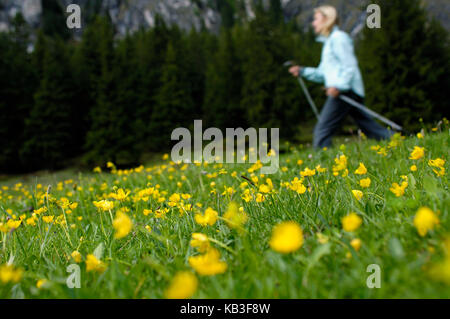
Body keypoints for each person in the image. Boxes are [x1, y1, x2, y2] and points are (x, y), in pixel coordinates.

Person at [289, 5, 393, 149]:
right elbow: (323, 73)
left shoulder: (339, 39)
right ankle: (397, 140)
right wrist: (303, 71)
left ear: (327, 20)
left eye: (316, 19)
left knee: (322, 130)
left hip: (345, 91)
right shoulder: (329, 43)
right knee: (369, 127)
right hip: (346, 90)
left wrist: (339, 86)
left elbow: (349, 66)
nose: (313, 23)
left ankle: (322, 162)